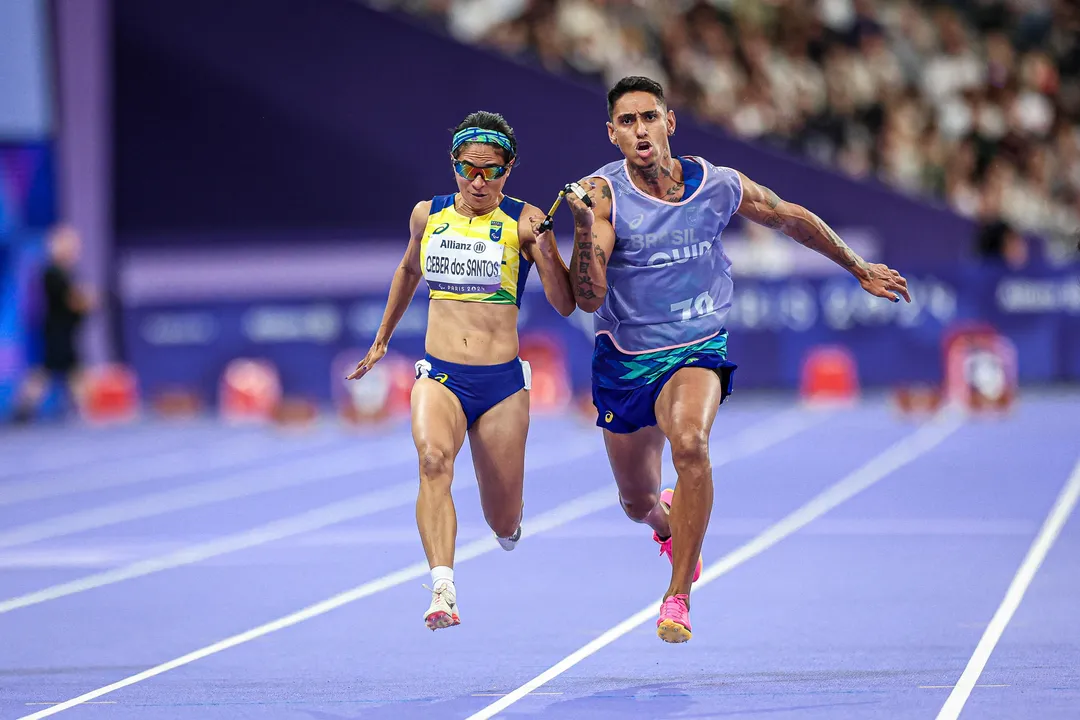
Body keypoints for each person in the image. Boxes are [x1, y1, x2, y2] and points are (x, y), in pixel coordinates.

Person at [562, 76, 910, 643]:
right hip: (625, 356)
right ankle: (665, 524)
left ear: (669, 122)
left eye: (649, 117)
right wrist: (580, 229)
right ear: (612, 134)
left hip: (696, 344)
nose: (640, 130)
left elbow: (789, 217)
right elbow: (590, 297)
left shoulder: (717, 184)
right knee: (635, 500)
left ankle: (677, 597)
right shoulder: (600, 196)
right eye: (627, 122)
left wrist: (857, 266)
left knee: (692, 444)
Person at [347, 111, 575, 631]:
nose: (477, 181)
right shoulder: (427, 216)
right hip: (441, 374)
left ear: (508, 169)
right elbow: (408, 270)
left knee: (503, 519)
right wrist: (382, 339)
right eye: (467, 169)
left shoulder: (524, 221)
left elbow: (566, 305)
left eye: (490, 171)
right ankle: (443, 588)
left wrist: (547, 247)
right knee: (432, 460)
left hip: (500, 386)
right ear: (453, 165)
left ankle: (509, 523)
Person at [11, 224, 95, 423]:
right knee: (49, 371)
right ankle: (23, 409)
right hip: (56, 332)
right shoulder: (52, 272)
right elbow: (76, 300)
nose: (75, 249)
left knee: (70, 370)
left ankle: (85, 410)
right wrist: (86, 299)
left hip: (66, 331)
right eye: (70, 244)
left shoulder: (67, 272)